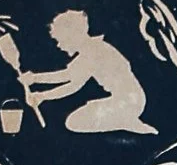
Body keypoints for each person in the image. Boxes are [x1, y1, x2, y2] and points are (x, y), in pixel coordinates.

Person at [12, 9, 155, 134]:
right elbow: (67, 75)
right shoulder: (93, 48)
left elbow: (72, 85)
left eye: (59, 40)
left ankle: (126, 122)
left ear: (72, 36)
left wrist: (42, 95)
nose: (59, 45)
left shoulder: (93, 51)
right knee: (76, 120)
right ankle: (125, 120)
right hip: (131, 100)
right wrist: (34, 79)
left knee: (74, 122)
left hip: (129, 102)